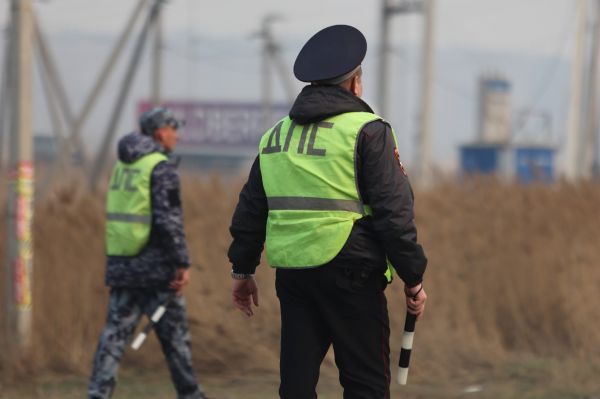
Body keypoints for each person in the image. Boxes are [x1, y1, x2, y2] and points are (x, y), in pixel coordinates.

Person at [228, 24, 428, 399]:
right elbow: (394, 213)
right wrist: (413, 277)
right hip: (352, 272)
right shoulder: (368, 132)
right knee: (365, 385)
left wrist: (242, 270)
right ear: (354, 84)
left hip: (294, 274)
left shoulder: (275, 136)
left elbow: (251, 209)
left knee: (296, 386)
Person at [88, 107, 206, 399]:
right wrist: (182, 262)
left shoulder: (122, 166)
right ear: (159, 132)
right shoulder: (160, 167)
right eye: (172, 128)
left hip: (123, 267)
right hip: (157, 271)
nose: (176, 135)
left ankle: (97, 393)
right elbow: (169, 220)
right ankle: (191, 394)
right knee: (176, 339)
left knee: (113, 337)